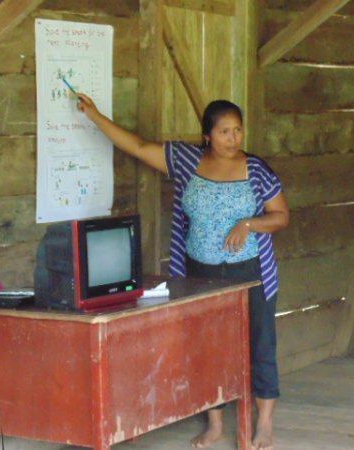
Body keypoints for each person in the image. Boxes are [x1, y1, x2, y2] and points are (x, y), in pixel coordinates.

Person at [76, 93, 289, 450]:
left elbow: (281, 216)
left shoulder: (256, 169)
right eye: (224, 132)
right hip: (200, 273)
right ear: (207, 135)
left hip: (250, 273)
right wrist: (96, 117)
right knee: (209, 348)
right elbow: (140, 146)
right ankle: (215, 425)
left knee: (260, 345)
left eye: (237, 130)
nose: (233, 139)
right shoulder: (188, 160)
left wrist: (250, 224)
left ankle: (264, 425)